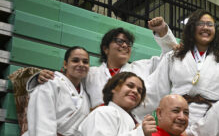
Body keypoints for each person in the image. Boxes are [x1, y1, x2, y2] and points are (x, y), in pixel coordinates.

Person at [29, 17, 177, 113]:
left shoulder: (143, 67)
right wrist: (41, 77)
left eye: (128, 43)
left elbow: (171, 55)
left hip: (132, 129)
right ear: (106, 48)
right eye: (119, 41)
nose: (125, 45)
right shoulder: (90, 73)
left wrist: (162, 31)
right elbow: (65, 84)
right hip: (97, 130)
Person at [143, 9, 219, 126]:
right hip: (178, 119)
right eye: (200, 24)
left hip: (215, 120)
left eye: (210, 24)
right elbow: (155, 88)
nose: (205, 27)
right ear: (191, 28)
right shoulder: (174, 56)